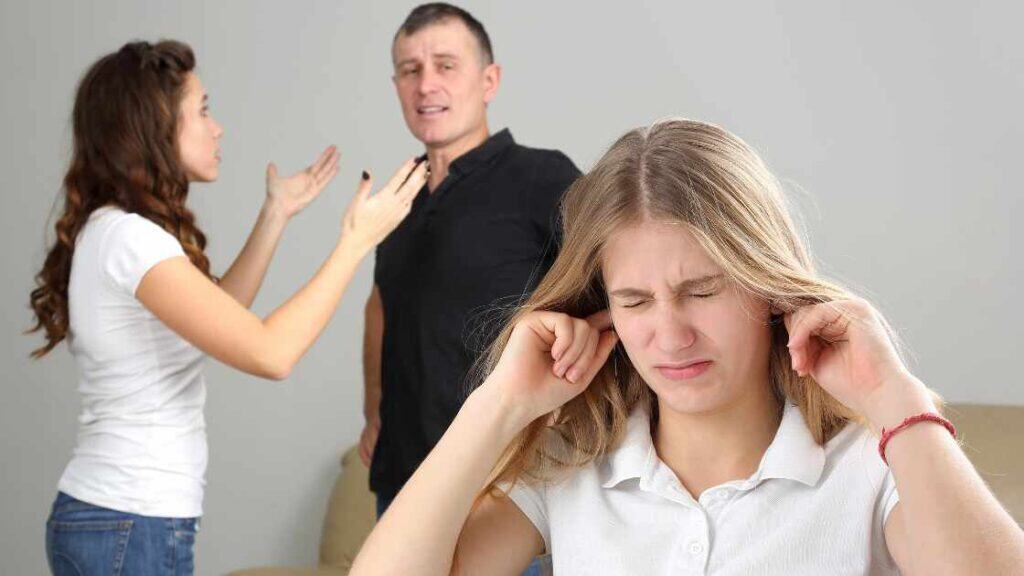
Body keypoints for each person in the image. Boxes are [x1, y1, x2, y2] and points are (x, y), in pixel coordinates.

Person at [350, 119, 1024, 575]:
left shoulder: (870, 471)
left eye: (703, 291)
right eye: (635, 301)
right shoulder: (571, 472)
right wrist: (498, 403)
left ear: (768, 286)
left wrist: (893, 396)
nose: (669, 337)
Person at [29, 40, 426, 575]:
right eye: (204, 110)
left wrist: (275, 215)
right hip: (129, 522)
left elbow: (216, 318)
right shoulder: (129, 239)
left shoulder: (118, 232)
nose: (217, 128)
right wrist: (353, 243)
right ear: (154, 128)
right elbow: (270, 353)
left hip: (118, 520)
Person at [361, 1, 580, 527]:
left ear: (488, 81)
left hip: (501, 486)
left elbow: (612, 293)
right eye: (410, 71)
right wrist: (374, 413)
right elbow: (380, 307)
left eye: (445, 65)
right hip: (402, 483)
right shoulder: (397, 197)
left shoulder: (542, 178)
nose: (426, 84)